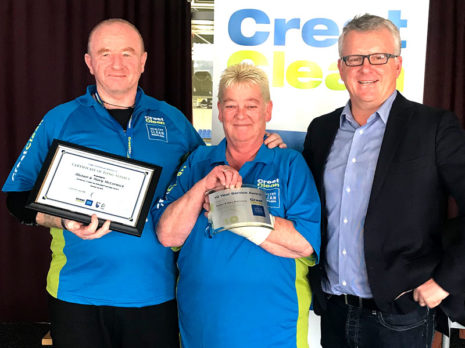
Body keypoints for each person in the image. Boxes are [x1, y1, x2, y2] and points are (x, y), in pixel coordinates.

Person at [2, 19, 284, 348]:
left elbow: (215, 168)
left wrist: (260, 142)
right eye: (105, 54)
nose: (117, 64)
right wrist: (63, 219)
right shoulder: (59, 119)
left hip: (156, 294)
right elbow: (16, 198)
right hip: (77, 294)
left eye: (127, 53)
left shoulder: (174, 121)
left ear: (143, 61)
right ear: (89, 62)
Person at [302, 13, 465, 348]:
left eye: (379, 57)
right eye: (355, 58)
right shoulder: (320, 130)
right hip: (334, 310)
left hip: (401, 315)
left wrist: (445, 281)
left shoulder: (433, 127)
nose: (366, 68)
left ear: (397, 64)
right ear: (340, 67)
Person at [154, 63, 321, 348]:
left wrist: (231, 207)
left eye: (251, 106)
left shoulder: (289, 163)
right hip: (203, 327)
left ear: (267, 110)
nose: (240, 115)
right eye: (231, 106)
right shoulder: (198, 162)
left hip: (275, 330)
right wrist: (203, 186)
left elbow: (303, 243)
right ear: (219, 111)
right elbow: (168, 234)